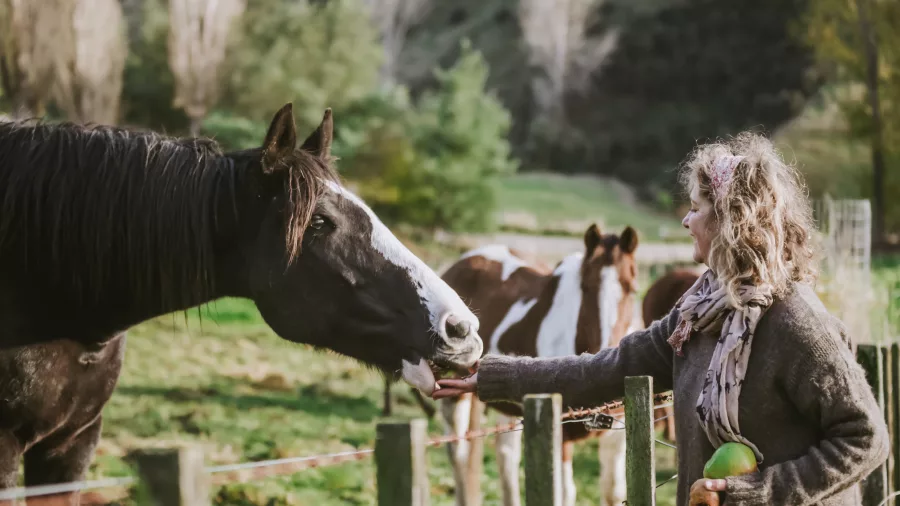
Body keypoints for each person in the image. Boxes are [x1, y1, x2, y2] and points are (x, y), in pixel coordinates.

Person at [432, 132, 890, 505]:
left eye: (696, 208)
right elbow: (605, 370)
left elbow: (865, 437)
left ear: (732, 221)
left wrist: (754, 493)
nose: (686, 221)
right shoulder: (700, 310)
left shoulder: (796, 322)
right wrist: (491, 374)